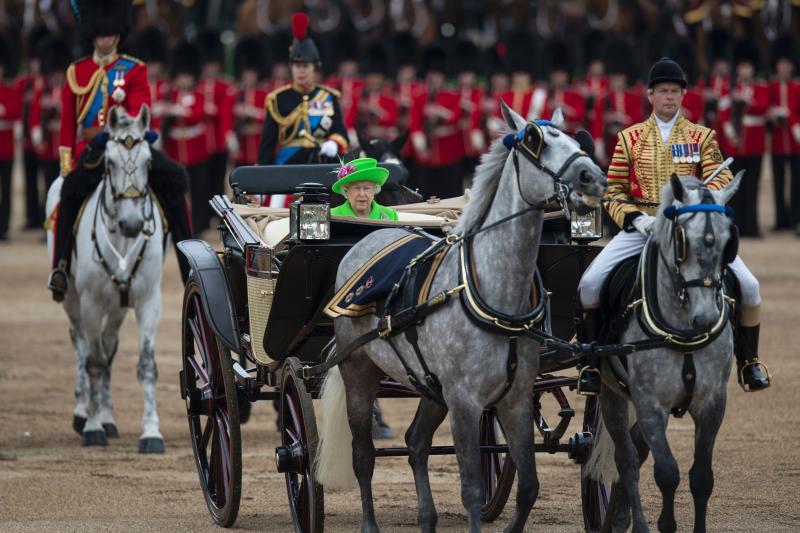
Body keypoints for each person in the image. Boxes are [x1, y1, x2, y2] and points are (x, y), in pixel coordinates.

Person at [576, 58, 771, 395]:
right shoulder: (629, 138)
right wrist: (636, 219)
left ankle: (748, 361)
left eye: (675, 92)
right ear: (650, 95)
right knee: (589, 284)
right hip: (644, 228)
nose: (669, 97)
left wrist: (703, 199)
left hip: (692, 231)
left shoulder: (702, 137)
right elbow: (613, 190)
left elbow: (721, 177)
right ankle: (594, 363)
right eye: (663, 91)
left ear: (683, 96)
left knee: (750, 287)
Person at [47, 0, 193, 301]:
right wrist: (67, 163)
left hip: (130, 146)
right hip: (89, 150)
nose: (105, 39)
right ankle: (60, 266)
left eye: (110, 33)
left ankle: (190, 267)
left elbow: (141, 111)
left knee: (176, 182)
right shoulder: (77, 73)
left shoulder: (134, 69)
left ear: (118, 33)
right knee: (69, 194)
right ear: (92, 34)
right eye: (101, 34)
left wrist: (119, 135)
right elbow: (66, 125)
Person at [257, 13, 348, 168]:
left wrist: (334, 143)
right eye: (297, 66)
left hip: (321, 165)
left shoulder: (328, 97)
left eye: (305, 66)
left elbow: (341, 131)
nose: (301, 71)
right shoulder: (278, 99)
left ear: (315, 69)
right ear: (291, 68)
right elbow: (268, 142)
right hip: (287, 166)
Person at [330, 157, 398, 220]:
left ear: (374, 190)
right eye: (356, 188)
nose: (362, 194)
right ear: (346, 191)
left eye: (366, 188)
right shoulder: (332, 215)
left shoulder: (390, 215)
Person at [0, 34, 21, 241]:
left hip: (5, 148)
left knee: (6, 191)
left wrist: (3, 112)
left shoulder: (9, 90)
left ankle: (3, 227)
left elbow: (15, 112)